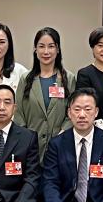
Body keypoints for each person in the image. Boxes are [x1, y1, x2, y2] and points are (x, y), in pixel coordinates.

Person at [15, 27, 76, 158]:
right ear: (35, 49)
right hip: (29, 147)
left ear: (58, 49)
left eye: (51, 46)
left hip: (60, 146)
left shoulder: (69, 79)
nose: (46, 51)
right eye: (41, 46)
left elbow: (73, 111)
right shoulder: (25, 79)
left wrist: (62, 134)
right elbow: (18, 112)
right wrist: (26, 138)